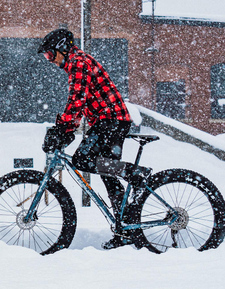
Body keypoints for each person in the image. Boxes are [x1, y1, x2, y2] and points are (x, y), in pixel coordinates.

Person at [38, 28, 151, 250]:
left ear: (62, 47)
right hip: (110, 121)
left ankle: (136, 173)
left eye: (50, 55)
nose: (50, 60)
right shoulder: (77, 63)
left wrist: (62, 126)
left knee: (82, 160)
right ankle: (125, 230)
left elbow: (76, 100)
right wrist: (67, 127)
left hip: (111, 121)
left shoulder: (78, 62)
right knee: (108, 172)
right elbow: (79, 106)